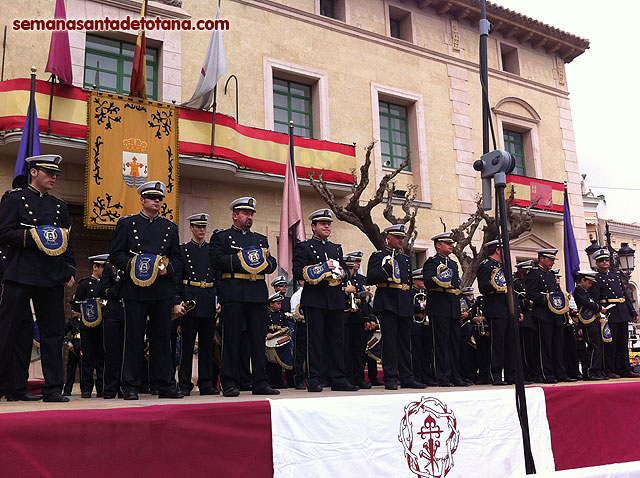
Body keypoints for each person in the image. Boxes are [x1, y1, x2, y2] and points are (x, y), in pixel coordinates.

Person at [0, 154, 76, 402]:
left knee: (53, 333)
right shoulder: (14, 199)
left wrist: (70, 269)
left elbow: (67, 242)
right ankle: (9, 387)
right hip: (21, 273)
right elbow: (5, 233)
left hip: (51, 276)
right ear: (33, 172)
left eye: (56, 173)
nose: (54, 176)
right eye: (49, 172)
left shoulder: (59, 207)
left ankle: (53, 388)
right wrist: (34, 236)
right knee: (8, 331)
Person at [109, 181, 184, 400]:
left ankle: (166, 385)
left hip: (161, 290)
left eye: (159, 198)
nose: (157, 201)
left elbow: (178, 259)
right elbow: (116, 254)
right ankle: (130, 385)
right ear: (142, 200)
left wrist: (166, 269)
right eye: (152, 198)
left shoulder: (170, 228)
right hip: (135, 289)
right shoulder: (128, 224)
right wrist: (136, 265)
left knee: (162, 338)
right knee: (133, 338)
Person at [210, 197, 280, 397]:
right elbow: (216, 260)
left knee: (258, 340)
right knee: (231, 339)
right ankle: (229, 381)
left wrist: (262, 262)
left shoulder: (260, 239)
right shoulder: (222, 238)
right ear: (235, 215)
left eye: (251, 214)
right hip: (233, 292)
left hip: (256, 293)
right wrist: (243, 259)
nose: (249, 217)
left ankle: (259, 381)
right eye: (245, 214)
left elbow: (271, 263)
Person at [293, 208, 357, 392]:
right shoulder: (304, 247)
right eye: (322, 223)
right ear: (313, 227)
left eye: (328, 223)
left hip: (335, 299)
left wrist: (342, 272)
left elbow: (345, 272)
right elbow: (298, 271)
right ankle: (314, 378)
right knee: (315, 340)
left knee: (337, 340)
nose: (327, 226)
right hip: (315, 299)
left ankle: (338, 377)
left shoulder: (336, 248)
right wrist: (322, 268)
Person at [367, 224, 425, 390]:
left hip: (404, 302)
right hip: (387, 302)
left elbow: (406, 283)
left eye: (402, 238)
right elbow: (371, 278)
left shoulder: (405, 259)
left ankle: (407, 377)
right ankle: (390, 377)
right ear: (388, 238)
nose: (401, 240)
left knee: (405, 343)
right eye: (398, 237)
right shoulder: (378, 256)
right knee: (390, 342)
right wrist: (386, 269)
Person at [177, 213, 219, 396]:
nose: (201, 230)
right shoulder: (183, 250)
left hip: (208, 299)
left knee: (207, 345)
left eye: (204, 227)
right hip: (190, 300)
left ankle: (206, 383)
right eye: (198, 227)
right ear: (191, 228)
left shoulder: (212, 250)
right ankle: (184, 383)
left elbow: (219, 278)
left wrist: (220, 300)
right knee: (187, 345)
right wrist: (177, 301)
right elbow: (177, 278)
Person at [423, 232, 468, 387]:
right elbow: (428, 282)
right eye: (448, 243)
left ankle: (456, 375)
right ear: (438, 245)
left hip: (452, 307)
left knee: (454, 344)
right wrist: (440, 280)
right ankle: (442, 376)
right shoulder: (432, 262)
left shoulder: (454, 264)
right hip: (439, 306)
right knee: (441, 344)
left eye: (451, 244)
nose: (451, 246)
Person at [525, 248, 574, 384]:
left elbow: (557, 293)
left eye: (553, 260)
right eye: (550, 259)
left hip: (556, 315)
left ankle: (560, 372)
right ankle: (546, 373)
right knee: (545, 347)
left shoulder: (551, 275)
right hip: (543, 315)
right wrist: (547, 298)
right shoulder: (534, 274)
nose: (552, 262)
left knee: (558, 346)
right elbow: (531, 293)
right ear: (542, 259)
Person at [477, 240, 522, 385]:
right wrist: (495, 287)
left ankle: (511, 375)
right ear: (498, 250)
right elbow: (483, 287)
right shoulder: (486, 265)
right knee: (497, 344)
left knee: (511, 344)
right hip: (495, 308)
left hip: (508, 308)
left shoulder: (504, 267)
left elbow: (511, 290)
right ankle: (495, 375)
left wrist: (517, 309)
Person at [590, 248, 640, 379]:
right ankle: (609, 369)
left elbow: (625, 296)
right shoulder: (596, 279)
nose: (605, 262)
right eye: (601, 261)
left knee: (623, 343)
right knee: (611, 344)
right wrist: (600, 315)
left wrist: (633, 311)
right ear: (597, 263)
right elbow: (595, 299)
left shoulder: (616, 277)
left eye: (606, 260)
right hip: (609, 313)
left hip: (622, 312)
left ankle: (625, 369)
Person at [72, 254, 108, 398]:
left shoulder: (108, 283)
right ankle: (86, 388)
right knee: (87, 359)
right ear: (95, 267)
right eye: (103, 267)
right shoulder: (85, 284)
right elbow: (75, 304)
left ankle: (102, 387)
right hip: (88, 326)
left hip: (103, 326)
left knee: (102, 358)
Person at [343, 251, 375, 390]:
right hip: (345, 318)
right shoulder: (342, 279)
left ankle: (359, 377)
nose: (355, 267)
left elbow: (365, 301)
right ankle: (348, 378)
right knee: (347, 350)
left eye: (356, 264)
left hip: (358, 318)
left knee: (360, 350)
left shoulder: (361, 280)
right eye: (351, 265)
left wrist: (368, 318)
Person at [99, 258, 126, 399]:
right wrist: (117, 289)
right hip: (113, 313)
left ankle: (125, 386)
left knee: (128, 353)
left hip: (130, 313)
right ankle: (110, 388)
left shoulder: (134, 264)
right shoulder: (110, 267)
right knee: (112, 352)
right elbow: (102, 291)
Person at [514, 260, 542, 382]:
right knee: (526, 349)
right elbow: (513, 300)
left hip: (534, 318)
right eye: (526, 270)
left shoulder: (531, 283)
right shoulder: (516, 284)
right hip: (524, 320)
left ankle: (535, 372)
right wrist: (526, 303)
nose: (529, 272)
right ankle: (526, 374)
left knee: (535, 349)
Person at [410, 269, 436, 386]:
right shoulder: (410, 292)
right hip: (415, 324)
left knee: (427, 353)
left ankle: (427, 376)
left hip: (427, 325)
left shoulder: (427, 292)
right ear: (414, 280)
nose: (423, 282)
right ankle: (417, 376)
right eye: (420, 279)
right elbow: (408, 307)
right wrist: (422, 305)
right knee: (416, 353)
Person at [265, 292, 290, 388]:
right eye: (278, 304)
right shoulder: (266, 314)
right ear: (271, 304)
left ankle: (278, 381)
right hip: (269, 341)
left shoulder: (281, 314)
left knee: (278, 363)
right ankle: (270, 381)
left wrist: (283, 330)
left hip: (278, 340)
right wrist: (267, 333)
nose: (280, 305)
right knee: (270, 363)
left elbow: (286, 325)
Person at [290, 281, 307, 389]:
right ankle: (299, 379)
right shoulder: (297, 295)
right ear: (301, 282)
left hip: (313, 325)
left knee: (312, 352)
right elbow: (294, 312)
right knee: (299, 354)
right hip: (301, 325)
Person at [62, 314, 82, 397]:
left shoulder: (86, 320)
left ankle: (85, 390)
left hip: (84, 346)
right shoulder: (72, 322)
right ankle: (67, 390)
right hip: (73, 348)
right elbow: (63, 332)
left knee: (84, 370)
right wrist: (68, 342)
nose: (73, 311)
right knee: (71, 369)